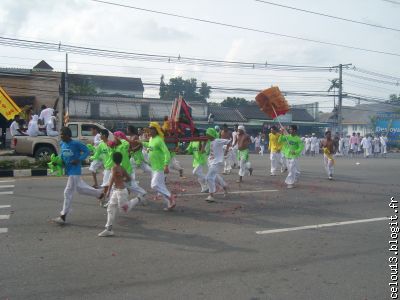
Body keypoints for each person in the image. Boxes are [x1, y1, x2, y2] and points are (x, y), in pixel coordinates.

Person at [52, 127, 104, 225]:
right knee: (80, 189)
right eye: (61, 134)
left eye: (62, 134)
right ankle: (100, 194)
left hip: (75, 170)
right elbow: (62, 156)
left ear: (68, 135)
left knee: (67, 192)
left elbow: (87, 151)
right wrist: (57, 162)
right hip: (69, 170)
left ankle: (63, 216)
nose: (61, 136)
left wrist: (79, 159)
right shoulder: (62, 144)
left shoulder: (75, 143)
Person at [140, 122, 176, 211]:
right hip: (154, 167)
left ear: (156, 130)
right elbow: (150, 146)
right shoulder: (151, 139)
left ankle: (170, 197)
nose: (150, 130)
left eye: (151, 129)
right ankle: (170, 204)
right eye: (149, 129)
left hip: (160, 167)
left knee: (154, 185)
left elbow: (166, 152)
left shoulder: (159, 140)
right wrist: (141, 143)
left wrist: (166, 165)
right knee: (161, 186)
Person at [98, 152, 133, 237]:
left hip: (121, 191)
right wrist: (122, 180)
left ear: (113, 160)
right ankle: (108, 229)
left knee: (124, 209)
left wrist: (108, 191)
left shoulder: (114, 168)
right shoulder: (121, 168)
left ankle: (138, 199)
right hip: (117, 191)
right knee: (110, 208)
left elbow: (112, 180)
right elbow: (129, 178)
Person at [203, 128, 229, 202]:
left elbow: (228, 142)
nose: (206, 135)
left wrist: (226, 151)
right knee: (215, 177)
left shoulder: (217, 140)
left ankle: (211, 195)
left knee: (208, 177)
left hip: (217, 162)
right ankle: (225, 187)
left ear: (211, 134)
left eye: (208, 134)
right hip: (211, 162)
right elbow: (203, 151)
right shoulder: (209, 142)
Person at [186, 129, 208, 193]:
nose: (192, 135)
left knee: (194, 172)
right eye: (192, 134)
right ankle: (205, 188)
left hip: (201, 160)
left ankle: (208, 179)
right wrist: (179, 151)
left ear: (197, 134)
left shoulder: (200, 141)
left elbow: (202, 150)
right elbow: (188, 150)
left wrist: (201, 143)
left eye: (193, 134)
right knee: (199, 176)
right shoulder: (192, 141)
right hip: (195, 161)